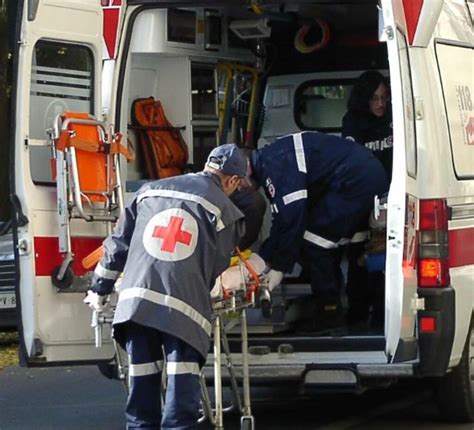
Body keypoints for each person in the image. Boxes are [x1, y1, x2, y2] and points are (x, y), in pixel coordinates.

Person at [84, 144, 247, 430]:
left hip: (136, 304)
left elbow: (116, 246)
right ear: (232, 180)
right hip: (182, 309)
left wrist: (99, 289)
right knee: (180, 398)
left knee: (141, 393)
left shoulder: (150, 190)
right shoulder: (224, 209)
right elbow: (217, 265)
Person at [245, 131, 389, 330]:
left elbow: (292, 218)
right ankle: (358, 313)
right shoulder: (272, 158)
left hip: (355, 182)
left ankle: (329, 314)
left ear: (243, 170)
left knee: (313, 241)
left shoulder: (275, 165)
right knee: (351, 245)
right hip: (362, 177)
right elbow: (283, 219)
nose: (238, 189)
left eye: (236, 184)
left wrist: (278, 266)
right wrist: (266, 257)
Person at [341, 70, 393, 326]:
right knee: (359, 257)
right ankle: (357, 314)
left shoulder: (395, 120)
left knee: (387, 260)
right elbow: (351, 162)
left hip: (392, 198)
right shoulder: (352, 121)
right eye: (375, 98)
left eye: (384, 98)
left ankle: (384, 316)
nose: (381, 104)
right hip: (362, 198)